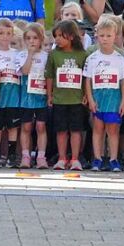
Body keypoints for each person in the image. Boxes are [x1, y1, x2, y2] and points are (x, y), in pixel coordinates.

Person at [84, 16, 124, 172]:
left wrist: (123, 101)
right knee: (97, 129)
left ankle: (114, 159)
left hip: (114, 100)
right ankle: (97, 158)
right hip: (98, 99)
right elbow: (88, 80)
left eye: (109, 36)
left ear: (115, 36)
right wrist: (90, 99)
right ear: (96, 36)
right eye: (102, 36)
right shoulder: (92, 58)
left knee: (113, 130)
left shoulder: (119, 58)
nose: (105, 39)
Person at [46, 19, 89, 171]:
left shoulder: (82, 54)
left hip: (76, 99)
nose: (57, 39)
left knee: (76, 130)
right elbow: (50, 75)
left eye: (60, 36)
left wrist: (85, 94)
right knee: (61, 130)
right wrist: (49, 94)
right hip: (59, 99)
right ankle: (62, 158)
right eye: (55, 36)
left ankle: (75, 158)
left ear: (71, 36)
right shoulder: (53, 55)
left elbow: (86, 76)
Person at [0, 18, 23, 167]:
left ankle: (12, 155)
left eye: (8, 33)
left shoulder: (17, 54)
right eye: (1, 33)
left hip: (13, 93)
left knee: (13, 126)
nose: (5, 36)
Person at [19, 22, 49, 169]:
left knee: (41, 126)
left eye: (35, 38)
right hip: (26, 97)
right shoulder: (21, 55)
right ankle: (25, 155)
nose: (32, 41)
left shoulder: (46, 56)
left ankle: (41, 156)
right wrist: (30, 55)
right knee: (26, 126)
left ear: (41, 39)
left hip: (41, 96)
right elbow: (24, 71)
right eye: (29, 38)